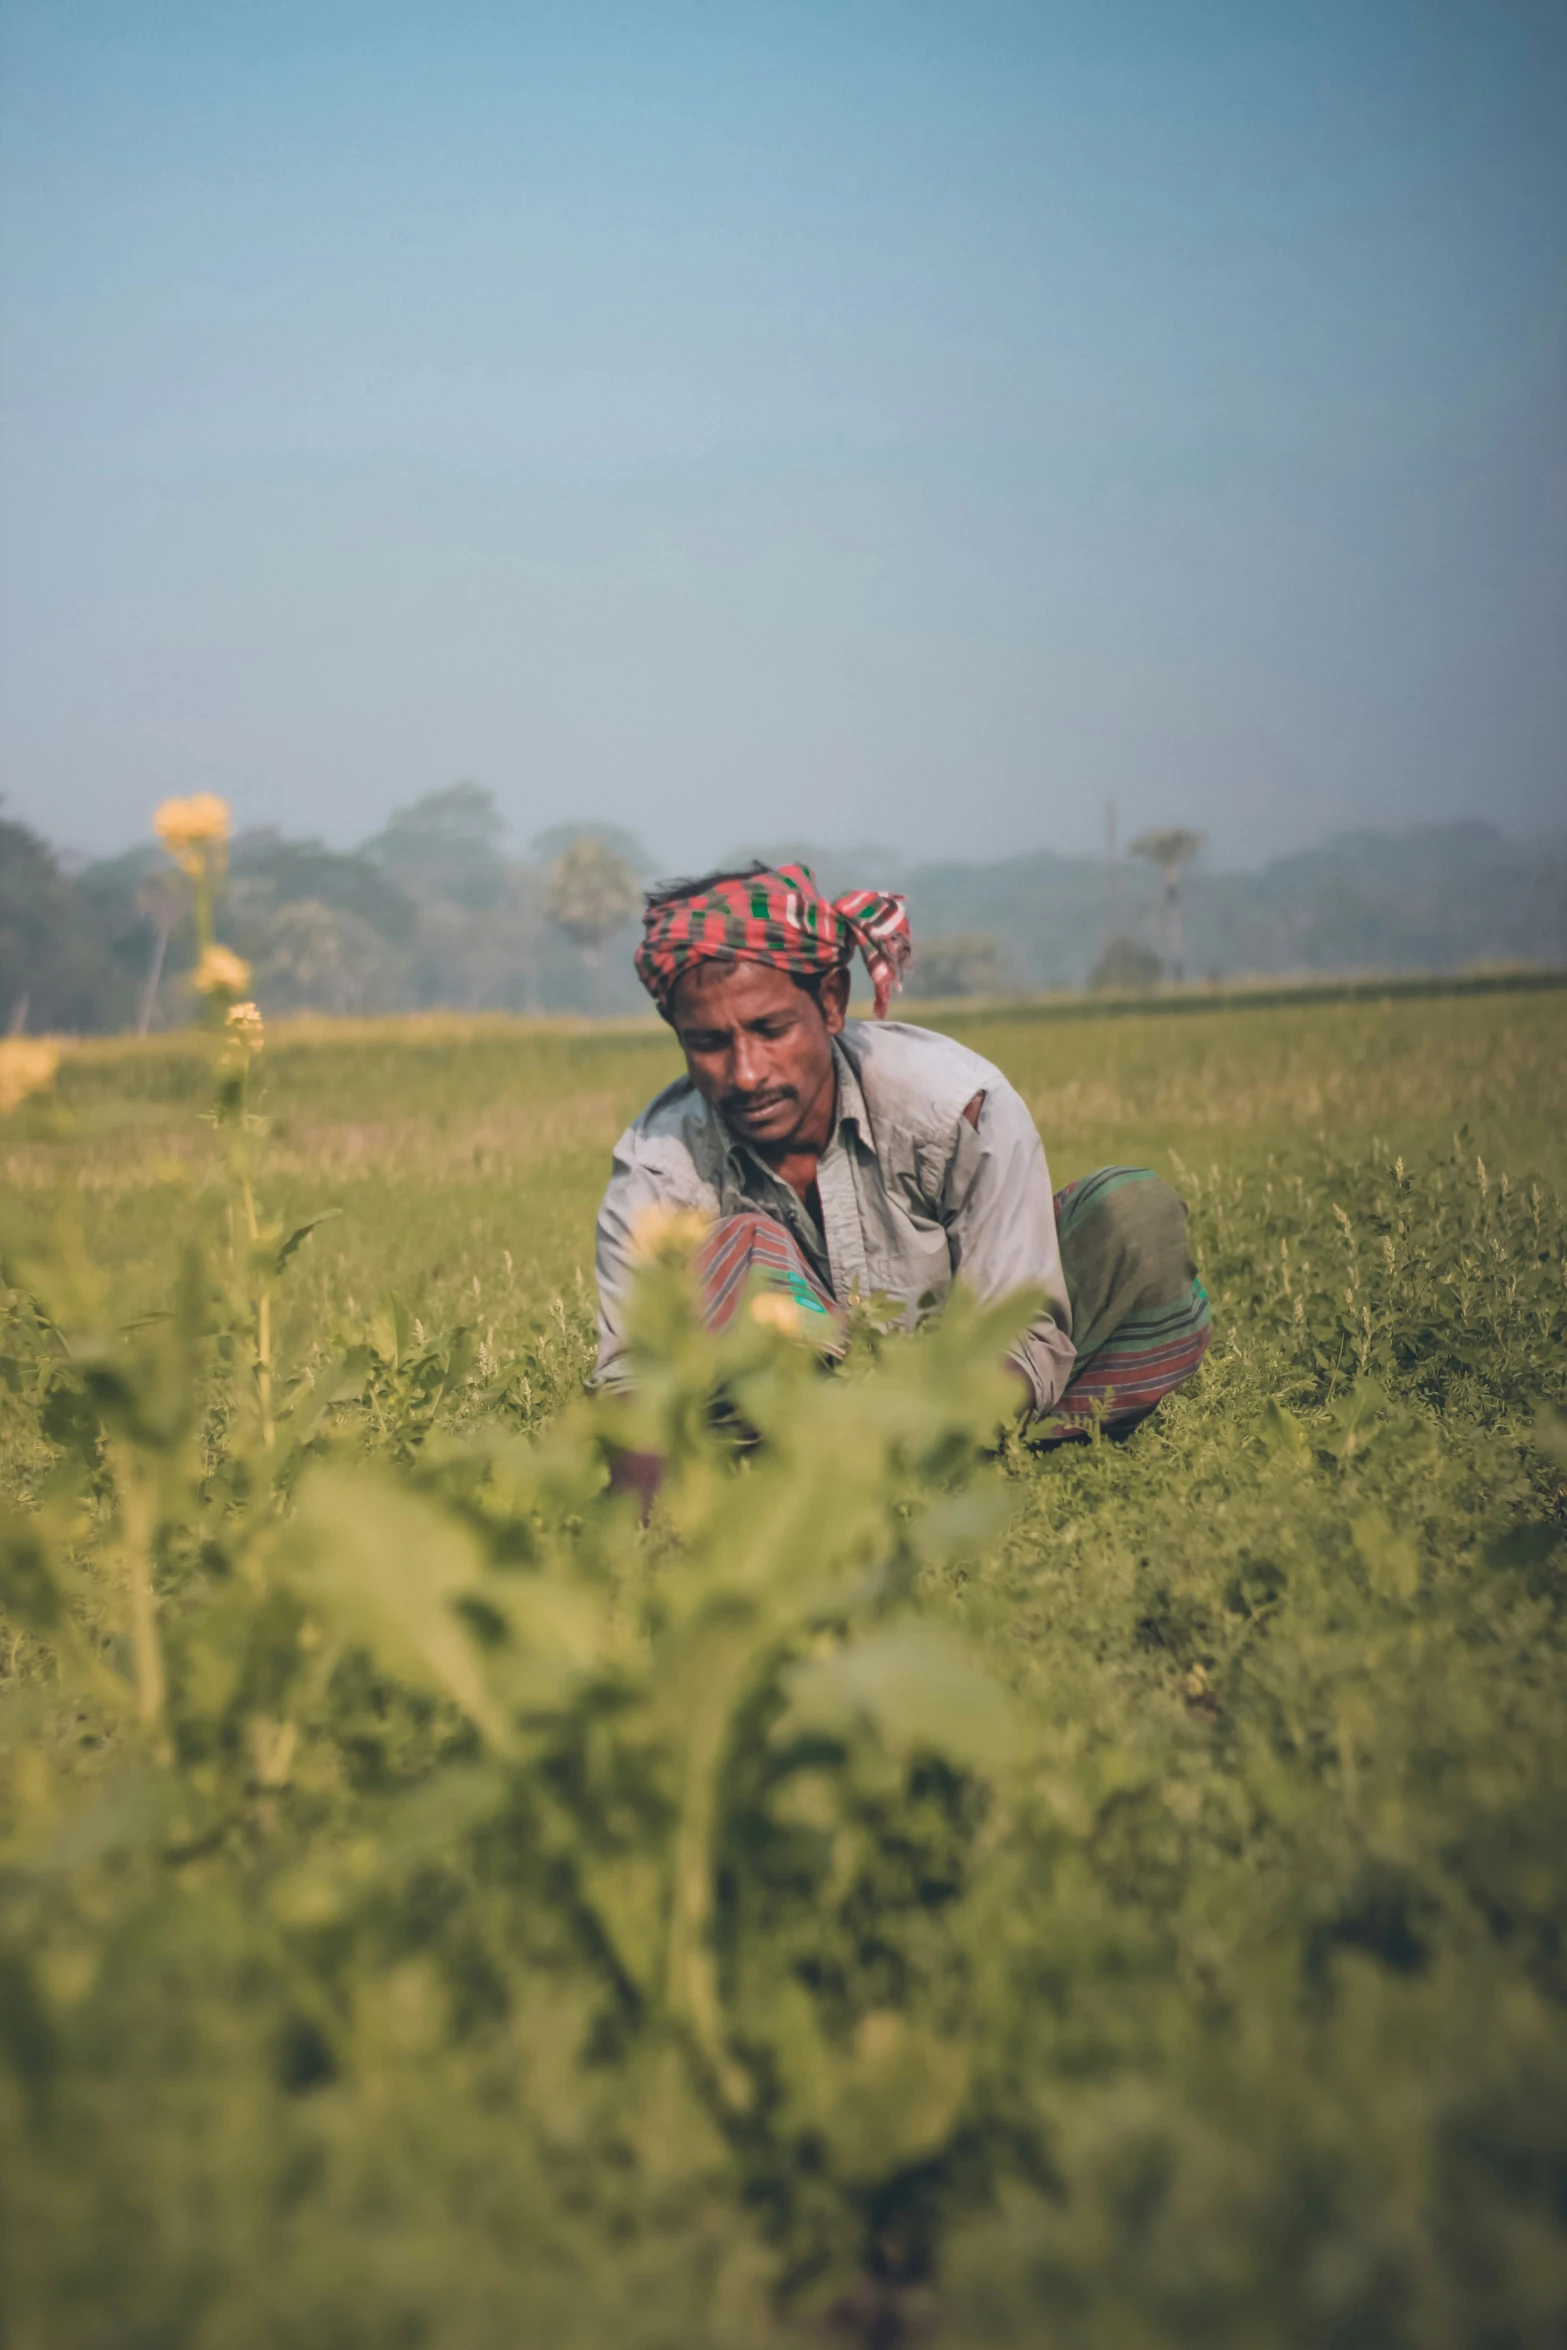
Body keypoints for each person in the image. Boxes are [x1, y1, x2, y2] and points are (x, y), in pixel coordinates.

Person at [593, 862, 1209, 1451]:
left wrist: (918, 1422)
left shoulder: (957, 1106)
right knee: (737, 1248)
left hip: (966, 1377)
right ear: (677, 1033)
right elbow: (632, 1383)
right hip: (789, 1408)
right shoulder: (658, 1163)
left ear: (831, 1001)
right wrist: (636, 1538)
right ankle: (820, 1458)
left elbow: (1023, 1330)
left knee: (1133, 1216)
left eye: (771, 1030)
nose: (747, 1074)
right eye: (708, 1043)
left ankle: (958, 1445)